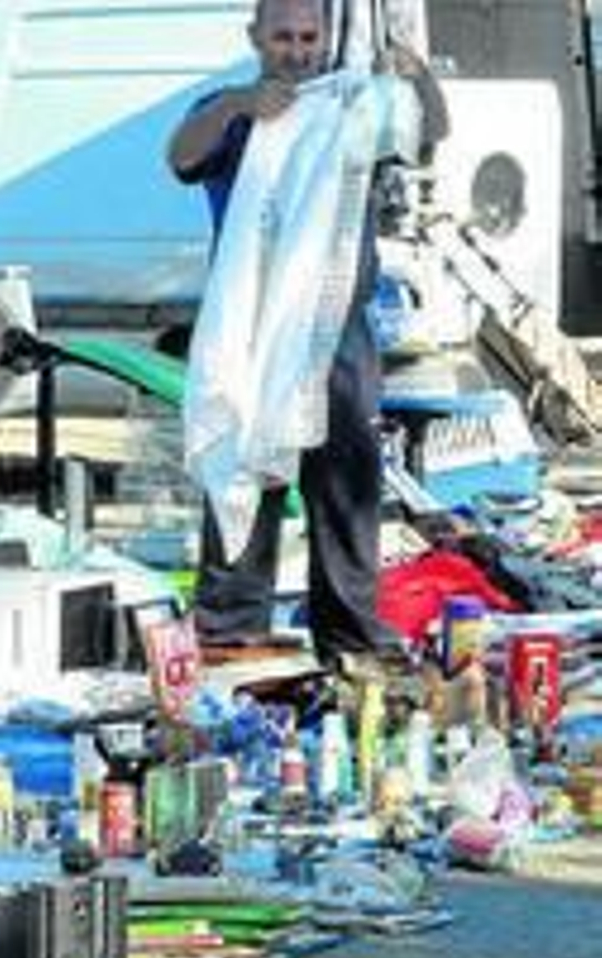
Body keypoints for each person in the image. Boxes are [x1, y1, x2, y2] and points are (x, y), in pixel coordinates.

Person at [166, 0, 448, 662]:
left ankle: (348, 628)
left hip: (335, 325)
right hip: (254, 324)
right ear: (256, 38)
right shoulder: (231, 110)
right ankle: (230, 625)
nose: (297, 51)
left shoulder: (355, 105)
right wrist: (242, 105)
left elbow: (429, 133)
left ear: (326, 40)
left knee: (346, 474)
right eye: (283, 37)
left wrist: (416, 73)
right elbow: (180, 157)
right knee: (242, 460)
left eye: (308, 38)